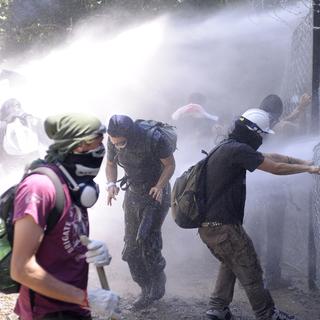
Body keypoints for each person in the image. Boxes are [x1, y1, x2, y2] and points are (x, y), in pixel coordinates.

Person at [198, 108, 319, 320]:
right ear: (252, 131)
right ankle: (267, 314)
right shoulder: (237, 151)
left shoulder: (228, 147)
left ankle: (217, 309)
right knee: (250, 267)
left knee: (231, 261)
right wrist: (309, 170)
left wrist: (306, 162)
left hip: (212, 226)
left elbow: (271, 157)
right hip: (223, 226)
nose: (261, 139)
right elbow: (276, 168)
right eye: (261, 134)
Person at [10, 113, 119, 320]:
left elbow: (60, 234)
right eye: (98, 143)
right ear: (79, 146)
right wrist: (85, 297)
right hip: (46, 312)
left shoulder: (73, 182)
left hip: (73, 308)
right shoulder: (40, 186)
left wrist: (88, 247)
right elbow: (21, 268)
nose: (102, 150)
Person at [106, 114, 175, 310]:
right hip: (133, 192)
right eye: (114, 142)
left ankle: (157, 279)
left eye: (121, 142)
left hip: (155, 193)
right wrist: (111, 184)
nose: (117, 145)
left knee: (145, 239)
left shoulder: (153, 138)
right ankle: (145, 288)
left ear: (130, 135)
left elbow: (170, 164)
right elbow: (111, 164)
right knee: (130, 248)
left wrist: (160, 186)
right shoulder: (112, 139)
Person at [257, 93, 311, 289]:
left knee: (254, 230)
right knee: (274, 232)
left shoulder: (257, 124)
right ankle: (272, 277)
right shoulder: (280, 127)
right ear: (277, 113)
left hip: (254, 189)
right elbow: (292, 129)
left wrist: (300, 109)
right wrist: (302, 113)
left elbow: (282, 123)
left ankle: (251, 277)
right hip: (274, 187)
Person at [0, 98, 49, 177]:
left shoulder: (2, 126)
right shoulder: (32, 120)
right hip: (33, 160)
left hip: (11, 165)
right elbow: (47, 141)